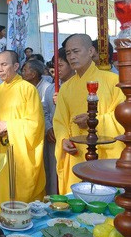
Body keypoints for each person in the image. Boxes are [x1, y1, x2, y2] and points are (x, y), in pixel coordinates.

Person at [54, 34, 125, 194]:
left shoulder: (112, 81)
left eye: (76, 51)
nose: (71, 56)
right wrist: (63, 139)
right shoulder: (66, 87)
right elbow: (60, 121)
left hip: (105, 153)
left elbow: (122, 118)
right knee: (77, 200)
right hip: (76, 151)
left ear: (91, 51)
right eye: (68, 53)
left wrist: (94, 121)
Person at [0, 50, 46, 217]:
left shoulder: (28, 89)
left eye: (4, 64)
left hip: (22, 153)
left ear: (16, 66)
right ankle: (6, 230)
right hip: (4, 151)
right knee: (5, 194)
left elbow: (35, 123)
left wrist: (10, 126)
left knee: (24, 196)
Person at [42, 48, 75, 195]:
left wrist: (62, 100)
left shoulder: (78, 86)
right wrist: (49, 127)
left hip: (71, 139)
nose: (57, 69)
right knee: (53, 172)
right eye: (55, 65)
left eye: (60, 65)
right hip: (54, 137)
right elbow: (45, 111)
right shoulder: (50, 89)